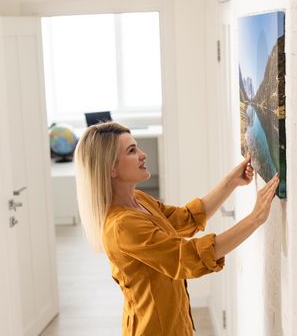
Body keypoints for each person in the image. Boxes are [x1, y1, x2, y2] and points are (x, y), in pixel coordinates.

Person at [74, 121, 279, 336]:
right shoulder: (122, 226)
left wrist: (231, 182)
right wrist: (254, 219)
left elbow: (185, 219)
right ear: (111, 168)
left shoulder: (139, 200)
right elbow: (186, 257)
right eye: (132, 151)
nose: (143, 155)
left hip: (174, 323)